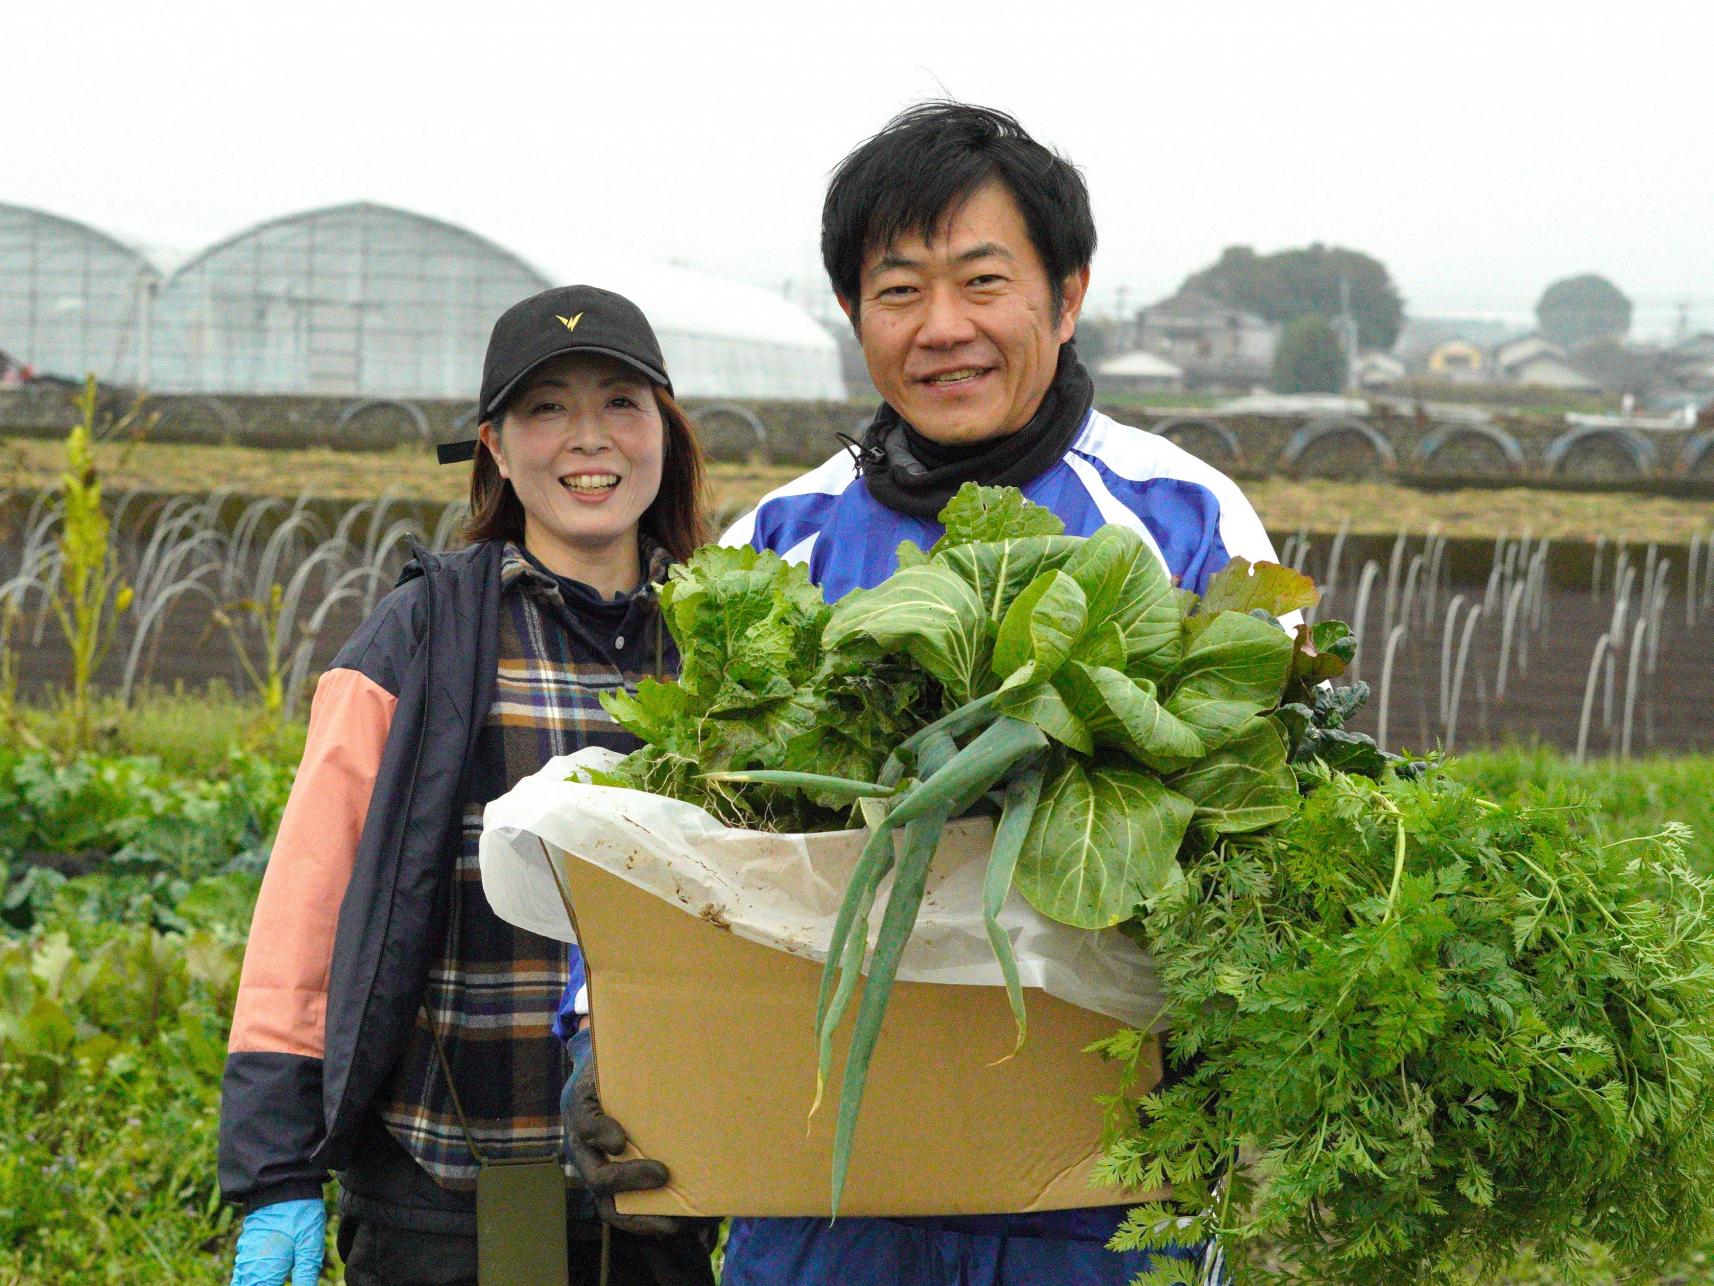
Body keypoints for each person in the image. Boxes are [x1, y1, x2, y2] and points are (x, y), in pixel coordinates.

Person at [714, 101, 1274, 1283]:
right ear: (854, 315)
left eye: (982, 281)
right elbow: (670, 817)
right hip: (827, 1175)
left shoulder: (1178, 517)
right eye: (899, 289)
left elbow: (1275, 814)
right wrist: (600, 1031)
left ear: (1066, 298)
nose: (942, 328)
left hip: (1097, 1185)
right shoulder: (778, 540)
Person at [219, 285, 716, 1286]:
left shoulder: (720, 642)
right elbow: (310, 902)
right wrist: (275, 1163)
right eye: (546, 408)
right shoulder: (422, 636)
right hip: (445, 1201)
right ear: (492, 443)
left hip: (662, 1193)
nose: (589, 438)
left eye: (621, 401)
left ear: (664, 427)